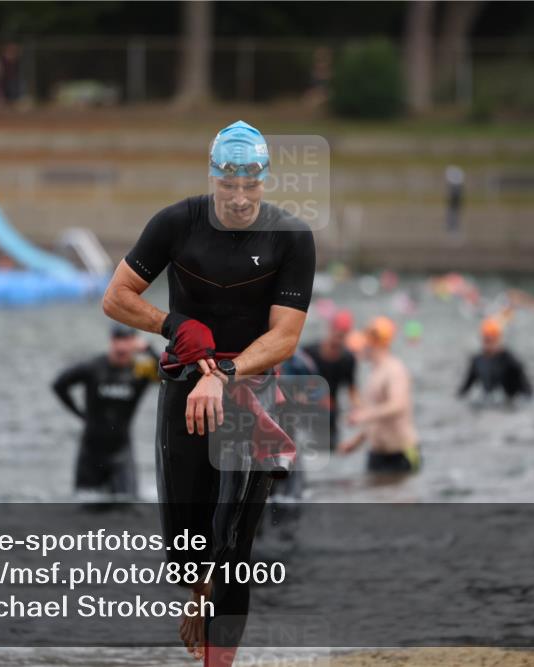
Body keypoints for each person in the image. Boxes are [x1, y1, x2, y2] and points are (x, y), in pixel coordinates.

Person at [102, 119, 315, 667]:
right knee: (187, 550)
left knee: (235, 547)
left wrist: (222, 373)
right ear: (213, 177)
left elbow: (285, 337)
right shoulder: (176, 222)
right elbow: (116, 296)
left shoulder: (291, 236)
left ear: (265, 179)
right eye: (229, 184)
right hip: (183, 391)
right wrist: (172, 324)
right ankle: (200, 591)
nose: (240, 197)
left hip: (251, 392)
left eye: (251, 184)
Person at [51, 323, 158, 498]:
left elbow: (168, 374)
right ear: (111, 341)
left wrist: (148, 348)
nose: (121, 347)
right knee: (85, 503)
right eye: (117, 340)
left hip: (121, 453)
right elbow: (59, 384)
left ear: (134, 343)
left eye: (126, 341)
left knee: (127, 504)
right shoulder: (93, 367)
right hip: (90, 452)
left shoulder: (141, 371)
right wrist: (79, 413)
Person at [337, 317, 421, 474]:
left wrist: (364, 415)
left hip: (401, 453)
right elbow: (376, 419)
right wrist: (355, 443)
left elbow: (398, 405)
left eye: (363, 343)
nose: (360, 348)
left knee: (402, 490)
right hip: (377, 454)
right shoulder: (374, 372)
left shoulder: (395, 369)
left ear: (373, 343)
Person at [302, 309, 359, 452]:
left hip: (330, 414)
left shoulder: (348, 359)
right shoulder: (308, 352)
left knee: (331, 451)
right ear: (330, 329)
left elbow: (352, 389)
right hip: (306, 412)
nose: (339, 340)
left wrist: (357, 410)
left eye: (343, 336)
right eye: (337, 334)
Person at [457, 318, 534, 402]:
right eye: (486, 340)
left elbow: (527, 389)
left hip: (508, 402)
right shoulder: (477, 361)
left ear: (498, 339)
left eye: (492, 340)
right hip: (488, 400)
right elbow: (465, 388)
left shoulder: (510, 360)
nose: (489, 344)